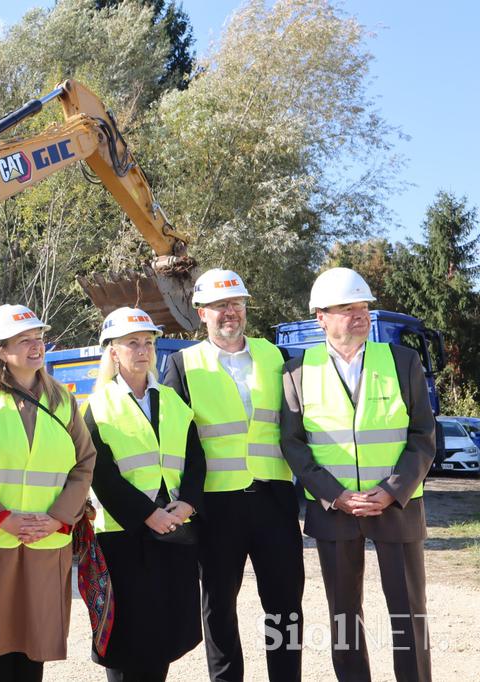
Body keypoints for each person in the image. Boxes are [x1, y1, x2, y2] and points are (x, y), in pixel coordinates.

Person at [280, 267, 434, 682]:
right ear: (321, 317)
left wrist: (391, 491)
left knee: (408, 616)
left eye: (363, 307)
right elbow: (294, 445)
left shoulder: (403, 362)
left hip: (396, 507)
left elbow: (423, 436)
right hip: (335, 512)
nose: (359, 315)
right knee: (343, 619)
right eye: (347, 308)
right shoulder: (296, 372)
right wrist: (336, 495)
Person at [161, 268, 304, 681]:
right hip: (215, 506)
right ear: (201, 312)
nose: (230, 312)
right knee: (219, 606)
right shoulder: (183, 364)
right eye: (220, 306)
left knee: (285, 604)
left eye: (237, 304)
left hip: (273, 499)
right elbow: (176, 440)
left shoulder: (274, 356)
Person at [0, 304, 95, 681]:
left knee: (35, 651)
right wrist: (2, 518)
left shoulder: (62, 401)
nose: (37, 346)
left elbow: (85, 462)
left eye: (39, 338)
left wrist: (56, 519)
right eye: (24, 340)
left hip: (47, 543)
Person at [84, 307, 206, 682]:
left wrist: (187, 503)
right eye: (132, 343)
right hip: (122, 536)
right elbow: (100, 474)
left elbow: (196, 457)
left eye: (148, 343)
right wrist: (146, 515)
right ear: (113, 352)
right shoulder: (96, 406)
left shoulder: (172, 400)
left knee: (163, 634)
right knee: (127, 639)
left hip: (171, 531)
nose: (143, 350)